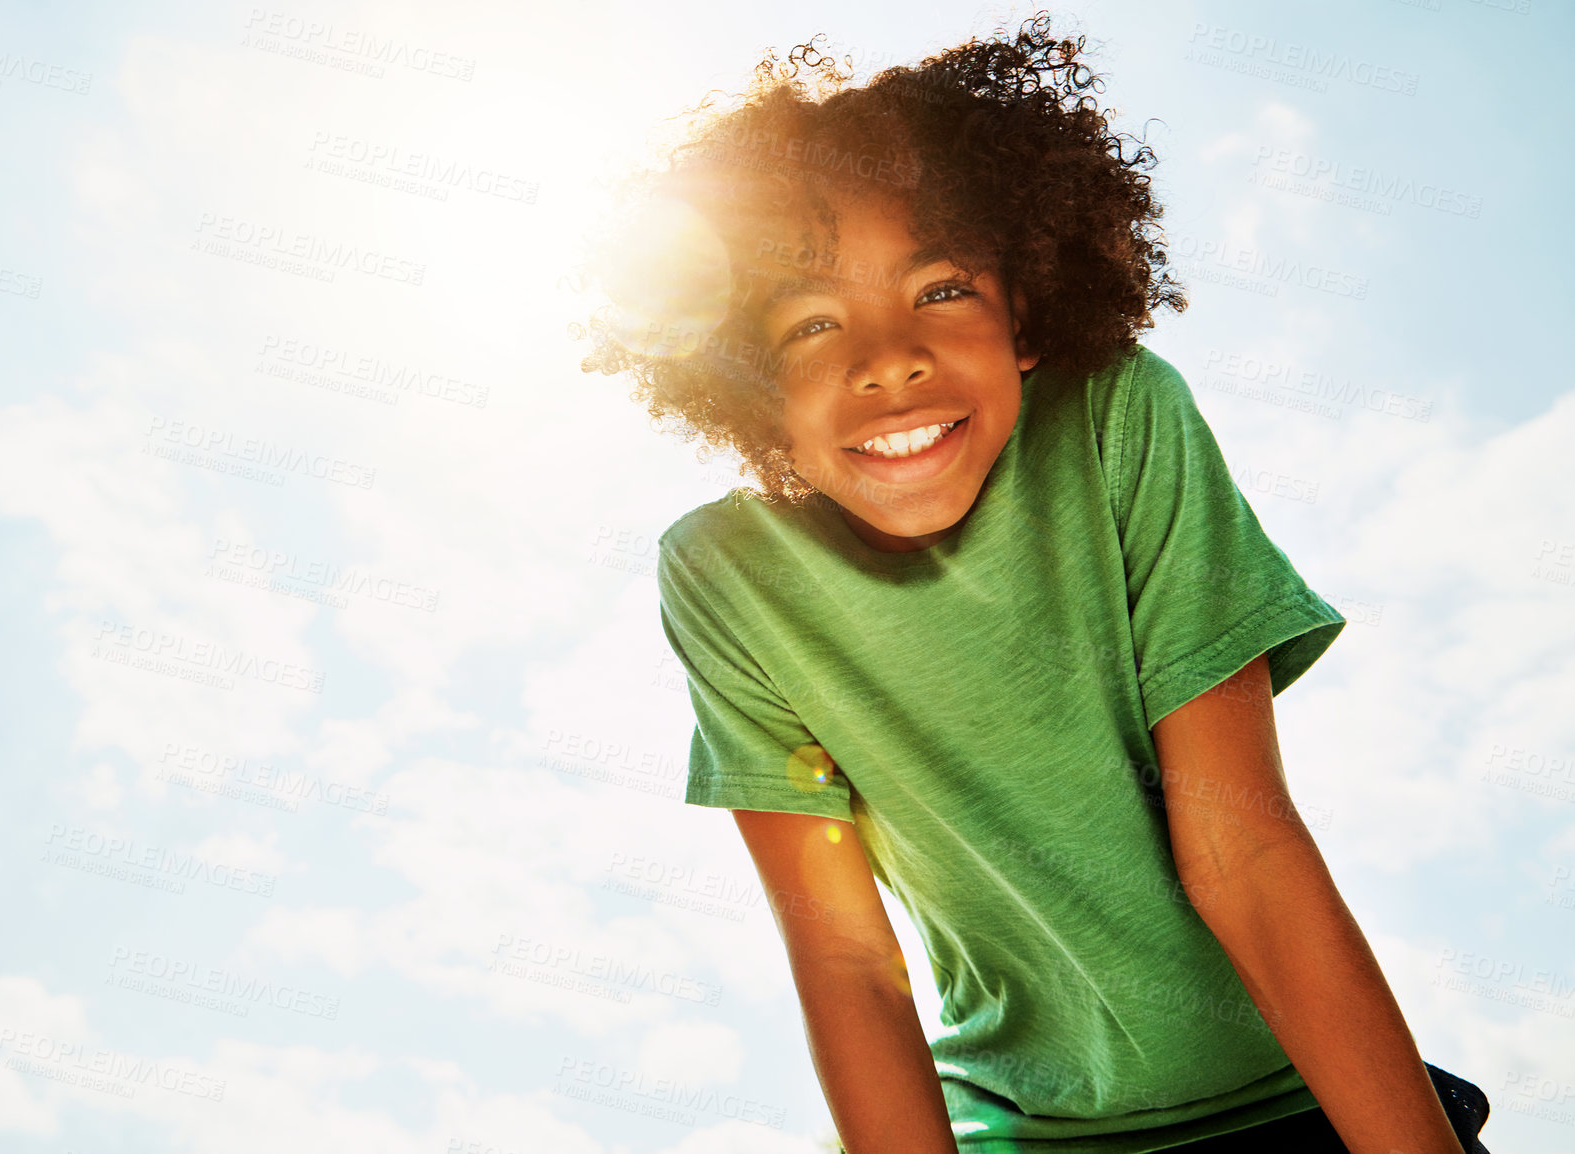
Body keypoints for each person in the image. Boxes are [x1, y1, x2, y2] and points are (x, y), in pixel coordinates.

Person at [578, 16, 1492, 1154]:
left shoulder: (1118, 415)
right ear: (751, 385)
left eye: (943, 288)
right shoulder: (725, 573)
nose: (889, 354)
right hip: (1021, 1130)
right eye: (812, 321)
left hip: (1299, 1096)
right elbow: (848, 957)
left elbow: (1244, 850)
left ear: (1027, 319)